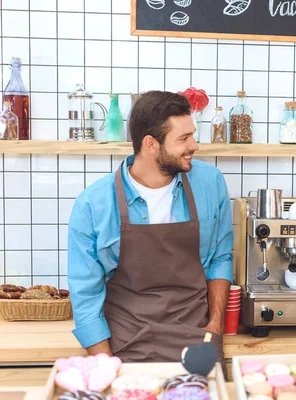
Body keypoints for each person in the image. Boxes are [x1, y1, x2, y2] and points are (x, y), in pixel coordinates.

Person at [67, 91, 233, 362]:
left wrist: (215, 326)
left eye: (192, 134)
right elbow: (86, 292)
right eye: (183, 138)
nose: (195, 145)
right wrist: (105, 364)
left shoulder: (211, 183)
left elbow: (220, 257)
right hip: (125, 342)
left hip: (197, 337)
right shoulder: (93, 204)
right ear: (151, 144)